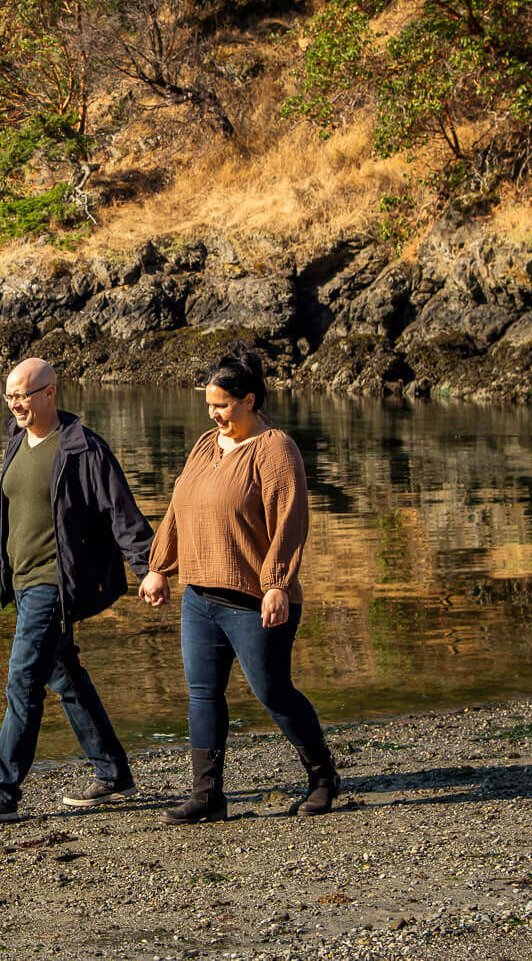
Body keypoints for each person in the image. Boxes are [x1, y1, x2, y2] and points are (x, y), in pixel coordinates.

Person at [138, 349, 339, 823]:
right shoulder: (207, 444)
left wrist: (276, 583)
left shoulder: (276, 450)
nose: (214, 413)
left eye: (223, 405)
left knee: (273, 692)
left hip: (255, 601)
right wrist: (159, 566)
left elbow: (291, 522)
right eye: (209, 404)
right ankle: (208, 796)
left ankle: (324, 776)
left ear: (249, 400)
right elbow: (177, 506)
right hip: (200, 598)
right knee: (203, 692)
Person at [0, 357, 155, 823]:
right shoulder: (15, 441)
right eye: (9, 395)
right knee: (64, 674)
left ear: (50, 392)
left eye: (23, 394)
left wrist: (149, 568)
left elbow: (121, 514)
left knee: (22, 680)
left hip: (56, 586)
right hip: (22, 582)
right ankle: (113, 773)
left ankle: (3, 792)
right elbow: (1, 520)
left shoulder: (82, 448)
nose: (15, 403)